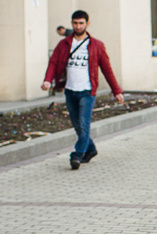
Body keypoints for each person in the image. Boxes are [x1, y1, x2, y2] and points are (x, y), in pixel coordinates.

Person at [41, 10, 125, 170]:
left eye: (81, 23)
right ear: (71, 23)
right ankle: (91, 149)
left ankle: (77, 155)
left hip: (87, 91)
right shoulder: (64, 44)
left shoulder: (97, 45)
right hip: (70, 90)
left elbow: (107, 69)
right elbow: (53, 62)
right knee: (77, 125)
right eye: (75, 23)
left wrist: (117, 91)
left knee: (83, 124)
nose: (78, 26)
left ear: (87, 24)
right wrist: (47, 80)